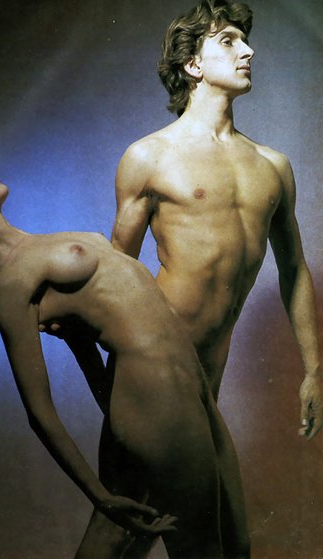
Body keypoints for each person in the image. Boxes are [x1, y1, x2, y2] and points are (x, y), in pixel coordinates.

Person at [74, 0, 323, 557]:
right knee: (135, 528)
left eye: (245, 40)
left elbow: (294, 270)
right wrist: (104, 371)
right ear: (192, 64)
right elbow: (117, 272)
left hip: (206, 379)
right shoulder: (149, 156)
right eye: (229, 40)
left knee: (142, 532)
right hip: (153, 370)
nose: (248, 51)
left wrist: (314, 370)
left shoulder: (273, 166)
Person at [0, 163, 250, 558]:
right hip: (156, 397)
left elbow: (92, 339)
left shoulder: (40, 243)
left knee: (237, 544)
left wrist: (80, 345)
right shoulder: (11, 284)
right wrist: (100, 495)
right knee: (203, 550)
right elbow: (39, 410)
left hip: (187, 384)